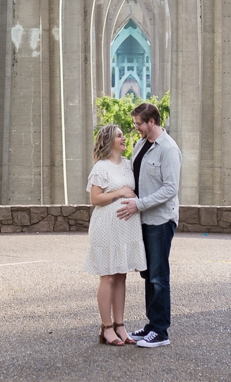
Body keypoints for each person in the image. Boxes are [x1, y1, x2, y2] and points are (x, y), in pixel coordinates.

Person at [114, 101, 179, 348]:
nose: (136, 128)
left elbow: (171, 189)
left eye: (139, 123)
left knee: (158, 276)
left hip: (160, 220)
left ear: (152, 121)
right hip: (144, 219)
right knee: (148, 274)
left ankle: (161, 332)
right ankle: (152, 325)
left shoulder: (169, 149)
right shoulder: (141, 145)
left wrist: (138, 205)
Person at [86, 123, 146, 346]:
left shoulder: (129, 165)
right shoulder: (101, 167)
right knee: (108, 276)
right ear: (109, 141)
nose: (124, 138)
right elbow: (95, 199)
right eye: (119, 136)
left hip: (127, 227)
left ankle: (120, 325)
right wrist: (120, 192)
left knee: (122, 275)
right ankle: (106, 327)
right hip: (106, 227)